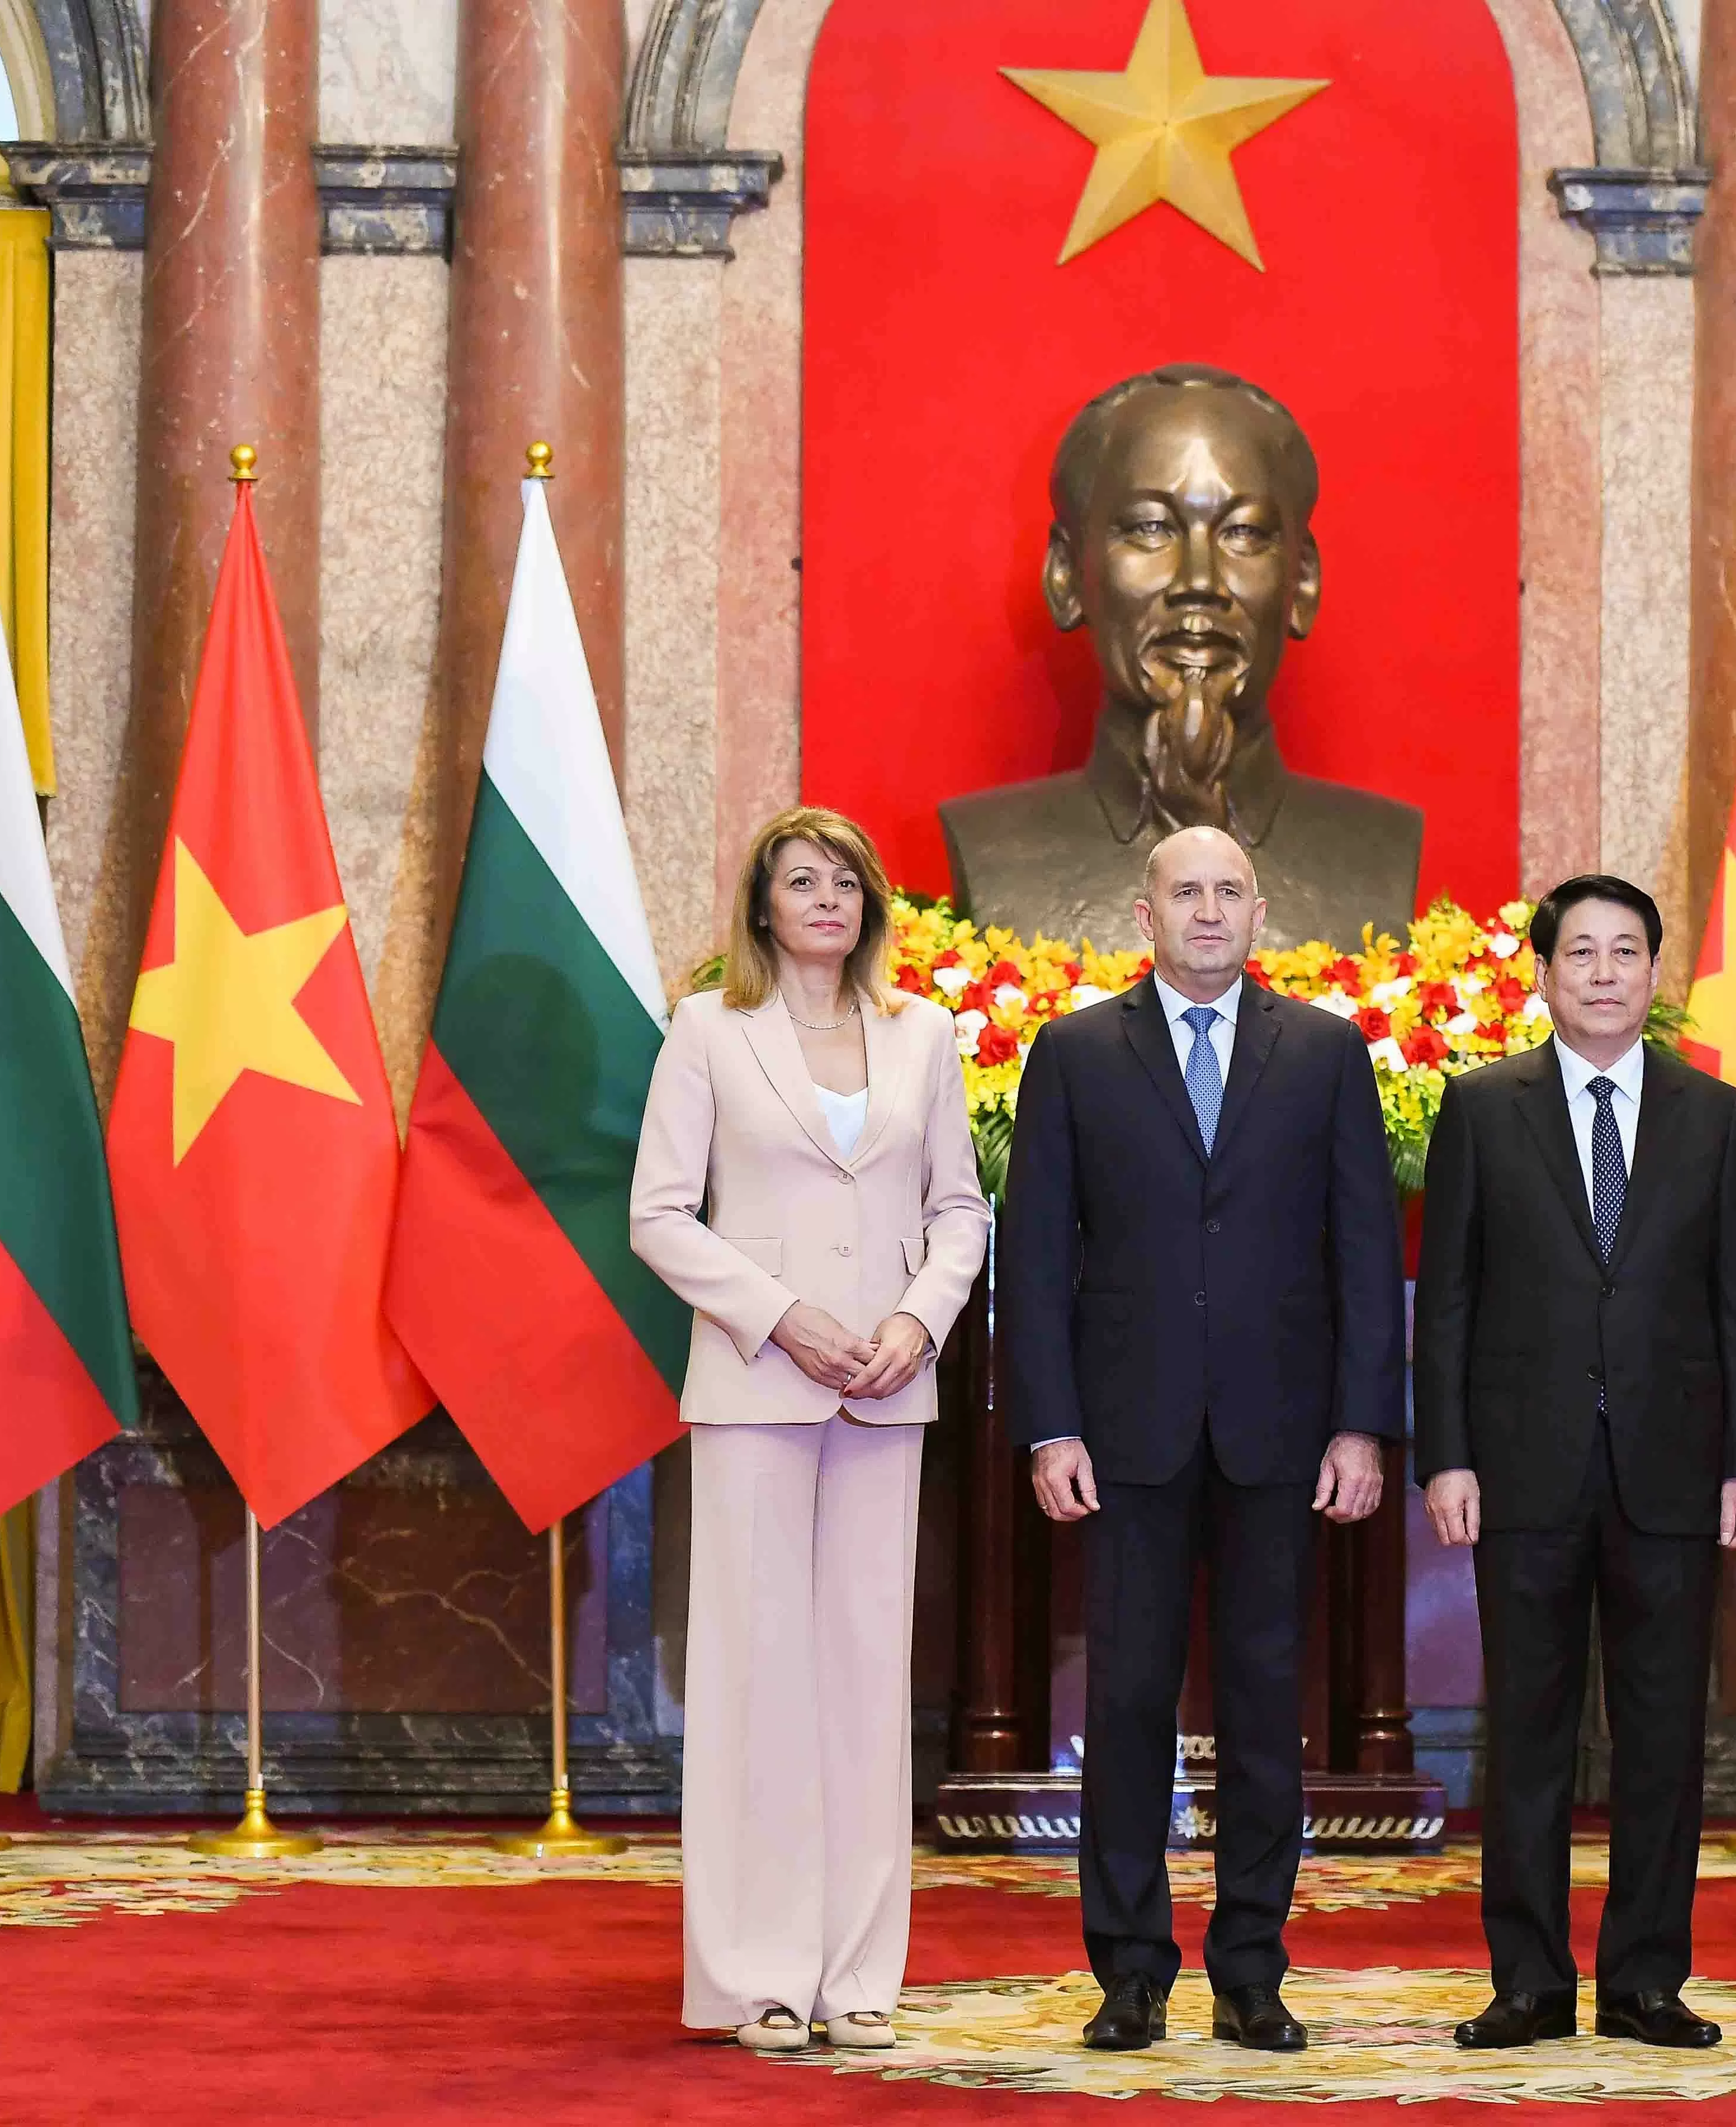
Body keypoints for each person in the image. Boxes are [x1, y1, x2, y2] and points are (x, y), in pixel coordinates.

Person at [1001, 822, 1407, 2053]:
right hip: (1124, 1434)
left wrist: (1361, 1424)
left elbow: (1365, 1252)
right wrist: (1049, 1425)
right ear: (1148, 913)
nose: (1210, 910)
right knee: (1126, 1701)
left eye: (1230, 890)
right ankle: (1129, 1969)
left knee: (1265, 1706)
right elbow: (1036, 1256)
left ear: (1260, 911)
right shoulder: (1075, 1050)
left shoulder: (1324, 1051)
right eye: (1188, 890)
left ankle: (1251, 1969)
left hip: (1281, 1432)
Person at [630, 806, 990, 2055]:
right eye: (801, 879)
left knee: (865, 1678)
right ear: (763, 905)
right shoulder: (707, 1029)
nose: (826, 897)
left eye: (845, 879)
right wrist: (780, 1314)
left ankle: (858, 1974)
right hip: (756, 1384)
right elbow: (659, 1214)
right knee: (757, 1676)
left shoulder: (922, 1032)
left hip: (886, 1386)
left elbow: (960, 1209)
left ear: (870, 902)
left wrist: (917, 1318)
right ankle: (758, 1975)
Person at [1412, 875, 1736, 2052]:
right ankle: (1527, 1979)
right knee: (1526, 1731)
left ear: (1654, 973)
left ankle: (1645, 1978)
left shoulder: (1712, 1112)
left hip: (1674, 1467)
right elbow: (1448, 1301)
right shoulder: (1482, 1105)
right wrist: (1446, 1456)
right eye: (1582, 951)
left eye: (1626, 950)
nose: (1605, 971)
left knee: (1664, 1739)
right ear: (1544, 972)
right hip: (1523, 1467)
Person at [937, 363, 1421, 949]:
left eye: (1243, 532)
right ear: (1065, 575)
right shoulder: (993, 851)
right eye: (1150, 528)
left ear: (1302, 582)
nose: (1199, 582)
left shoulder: (1381, 852)